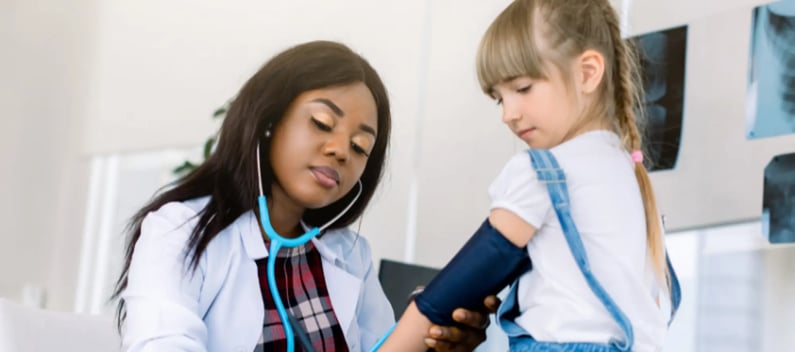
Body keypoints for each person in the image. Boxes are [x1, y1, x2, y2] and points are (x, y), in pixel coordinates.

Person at [112, 40, 497, 352]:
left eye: (361, 146)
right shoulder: (178, 230)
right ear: (267, 121)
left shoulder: (349, 256)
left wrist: (432, 337)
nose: (341, 150)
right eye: (321, 123)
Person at [377, 0, 681, 351]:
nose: (508, 114)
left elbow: (449, 294)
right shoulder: (629, 176)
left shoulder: (544, 173)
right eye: (498, 99)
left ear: (587, 73)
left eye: (522, 89)